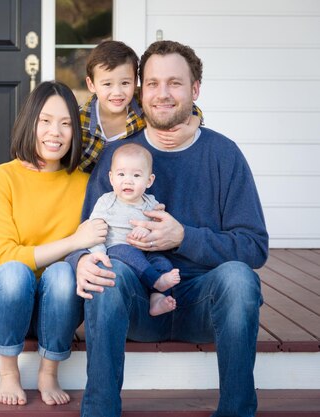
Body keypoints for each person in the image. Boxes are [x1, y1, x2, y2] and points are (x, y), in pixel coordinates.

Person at [67, 40, 269, 417]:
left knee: (240, 279)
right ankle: (100, 411)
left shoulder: (223, 155)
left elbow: (254, 247)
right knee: (105, 274)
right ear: (141, 92)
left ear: (194, 91)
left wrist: (184, 237)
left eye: (175, 83)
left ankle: (236, 412)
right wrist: (81, 260)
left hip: (202, 304)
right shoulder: (117, 157)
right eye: (153, 83)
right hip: (137, 305)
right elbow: (90, 229)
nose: (162, 94)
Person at [0, 81, 108, 407]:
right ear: (29, 124)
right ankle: (7, 371)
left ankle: (49, 371)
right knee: (16, 272)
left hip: (56, 307)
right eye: (45, 121)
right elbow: (3, 257)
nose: (55, 132)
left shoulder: (86, 185)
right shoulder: (0, 178)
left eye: (65, 123)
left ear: (75, 131)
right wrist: (73, 240)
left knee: (62, 274)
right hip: (0, 302)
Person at [79, 39, 203, 174]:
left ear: (136, 81)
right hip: (89, 184)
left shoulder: (142, 103)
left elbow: (187, 108)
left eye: (125, 83)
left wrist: (191, 127)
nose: (117, 92)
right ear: (91, 84)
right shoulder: (81, 118)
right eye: (107, 84)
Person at [87, 142, 180, 316]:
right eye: (121, 174)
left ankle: (157, 299)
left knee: (163, 262)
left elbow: (160, 229)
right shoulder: (106, 202)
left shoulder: (152, 204)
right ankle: (156, 281)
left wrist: (147, 232)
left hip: (146, 252)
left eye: (136, 175)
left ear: (149, 180)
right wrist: (98, 252)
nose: (128, 180)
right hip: (117, 252)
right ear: (111, 178)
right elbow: (94, 230)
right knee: (125, 251)